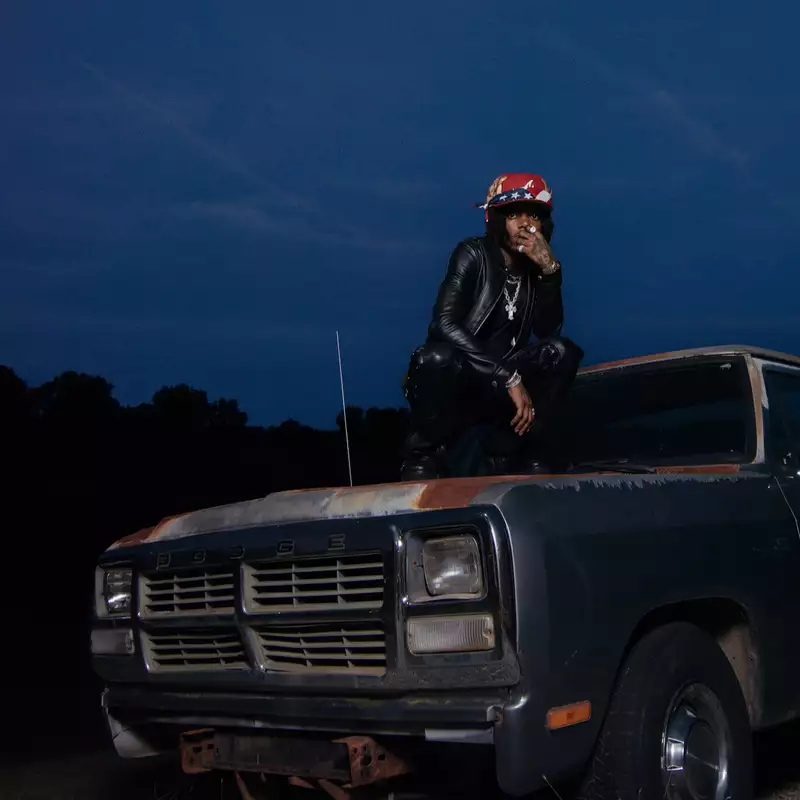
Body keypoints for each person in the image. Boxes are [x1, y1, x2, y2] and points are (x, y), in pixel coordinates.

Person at [400, 173, 584, 480]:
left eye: (533, 216)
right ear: (496, 220)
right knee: (434, 357)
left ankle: (528, 453)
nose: (525, 224)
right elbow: (443, 323)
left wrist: (550, 271)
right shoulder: (472, 253)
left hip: (503, 391)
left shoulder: (536, 269)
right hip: (468, 376)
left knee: (562, 352)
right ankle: (422, 458)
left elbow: (548, 331)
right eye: (513, 215)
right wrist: (506, 375)